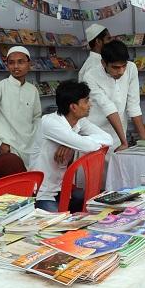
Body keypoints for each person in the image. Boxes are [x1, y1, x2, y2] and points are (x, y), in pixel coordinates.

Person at [30, 81, 113, 212]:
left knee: (97, 206)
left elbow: (108, 139)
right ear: (73, 107)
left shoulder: (80, 121)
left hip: (63, 189)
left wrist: (71, 143)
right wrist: (75, 142)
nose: (90, 104)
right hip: (42, 193)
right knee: (58, 228)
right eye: (86, 101)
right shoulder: (50, 123)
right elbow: (87, 146)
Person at [0, 46, 41, 176]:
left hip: (30, 149)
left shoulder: (32, 90)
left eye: (20, 62)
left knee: (29, 187)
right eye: (11, 62)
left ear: (29, 64)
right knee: (10, 191)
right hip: (9, 151)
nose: (16, 66)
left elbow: (36, 118)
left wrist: (35, 142)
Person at [84, 40, 145, 151]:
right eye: (115, 67)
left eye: (124, 66)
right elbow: (108, 107)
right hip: (95, 134)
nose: (121, 71)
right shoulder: (90, 76)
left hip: (119, 134)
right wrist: (124, 142)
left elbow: (134, 105)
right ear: (103, 63)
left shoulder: (131, 68)